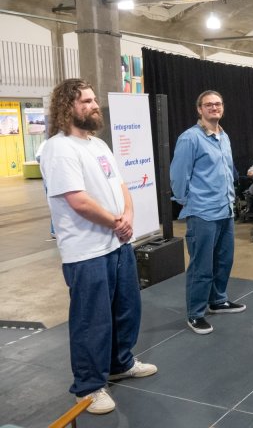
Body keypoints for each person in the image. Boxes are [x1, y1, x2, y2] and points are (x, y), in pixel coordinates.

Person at [42, 78, 157, 414]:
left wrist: (128, 216)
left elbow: (121, 185)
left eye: (94, 100)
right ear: (68, 108)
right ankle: (89, 386)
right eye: (86, 102)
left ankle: (120, 362)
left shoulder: (98, 145)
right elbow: (78, 201)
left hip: (117, 244)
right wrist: (116, 222)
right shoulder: (59, 148)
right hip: (86, 251)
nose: (94, 106)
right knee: (92, 320)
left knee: (126, 309)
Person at [171, 90, 246, 336]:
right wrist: (190, 201)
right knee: (202, 265)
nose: (214, 108)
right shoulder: (189, 139)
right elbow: (178, 176)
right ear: (199, 109)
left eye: (218, 104)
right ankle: (195, 313)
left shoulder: (224, 136)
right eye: (209, 104)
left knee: (224, 260)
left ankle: (218, 300)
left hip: (225, 210)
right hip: (203, 212)